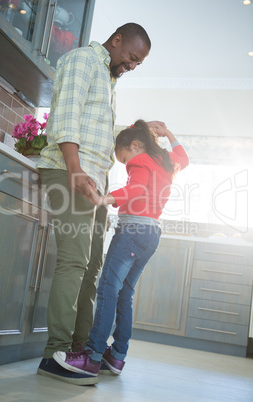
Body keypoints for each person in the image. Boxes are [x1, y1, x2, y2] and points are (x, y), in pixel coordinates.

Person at [37, 24, 152, 386]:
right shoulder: (83, 60)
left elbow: (99, 127)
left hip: (94, 181)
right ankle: (54, 353)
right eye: (132, 57)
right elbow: (66, 116)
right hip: (71, 172)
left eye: (139, 63)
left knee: (93, 268)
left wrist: (144, 131)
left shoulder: (107, 79)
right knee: (74, 262)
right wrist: (74, 169)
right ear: (116, 41)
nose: (133, 65)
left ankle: (81, 352)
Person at [52, 120, 189, 379]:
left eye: (124, 158)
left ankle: (91, 357)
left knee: (107, 290)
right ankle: (116, 356)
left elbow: (135, 188)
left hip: (132, 232)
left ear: (135, 146)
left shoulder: (141, 161)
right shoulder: (167, 160)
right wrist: (169, 133)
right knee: (125, 294)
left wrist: (104, 199)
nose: (127, 164)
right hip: (152, 233)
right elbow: (184, 156)